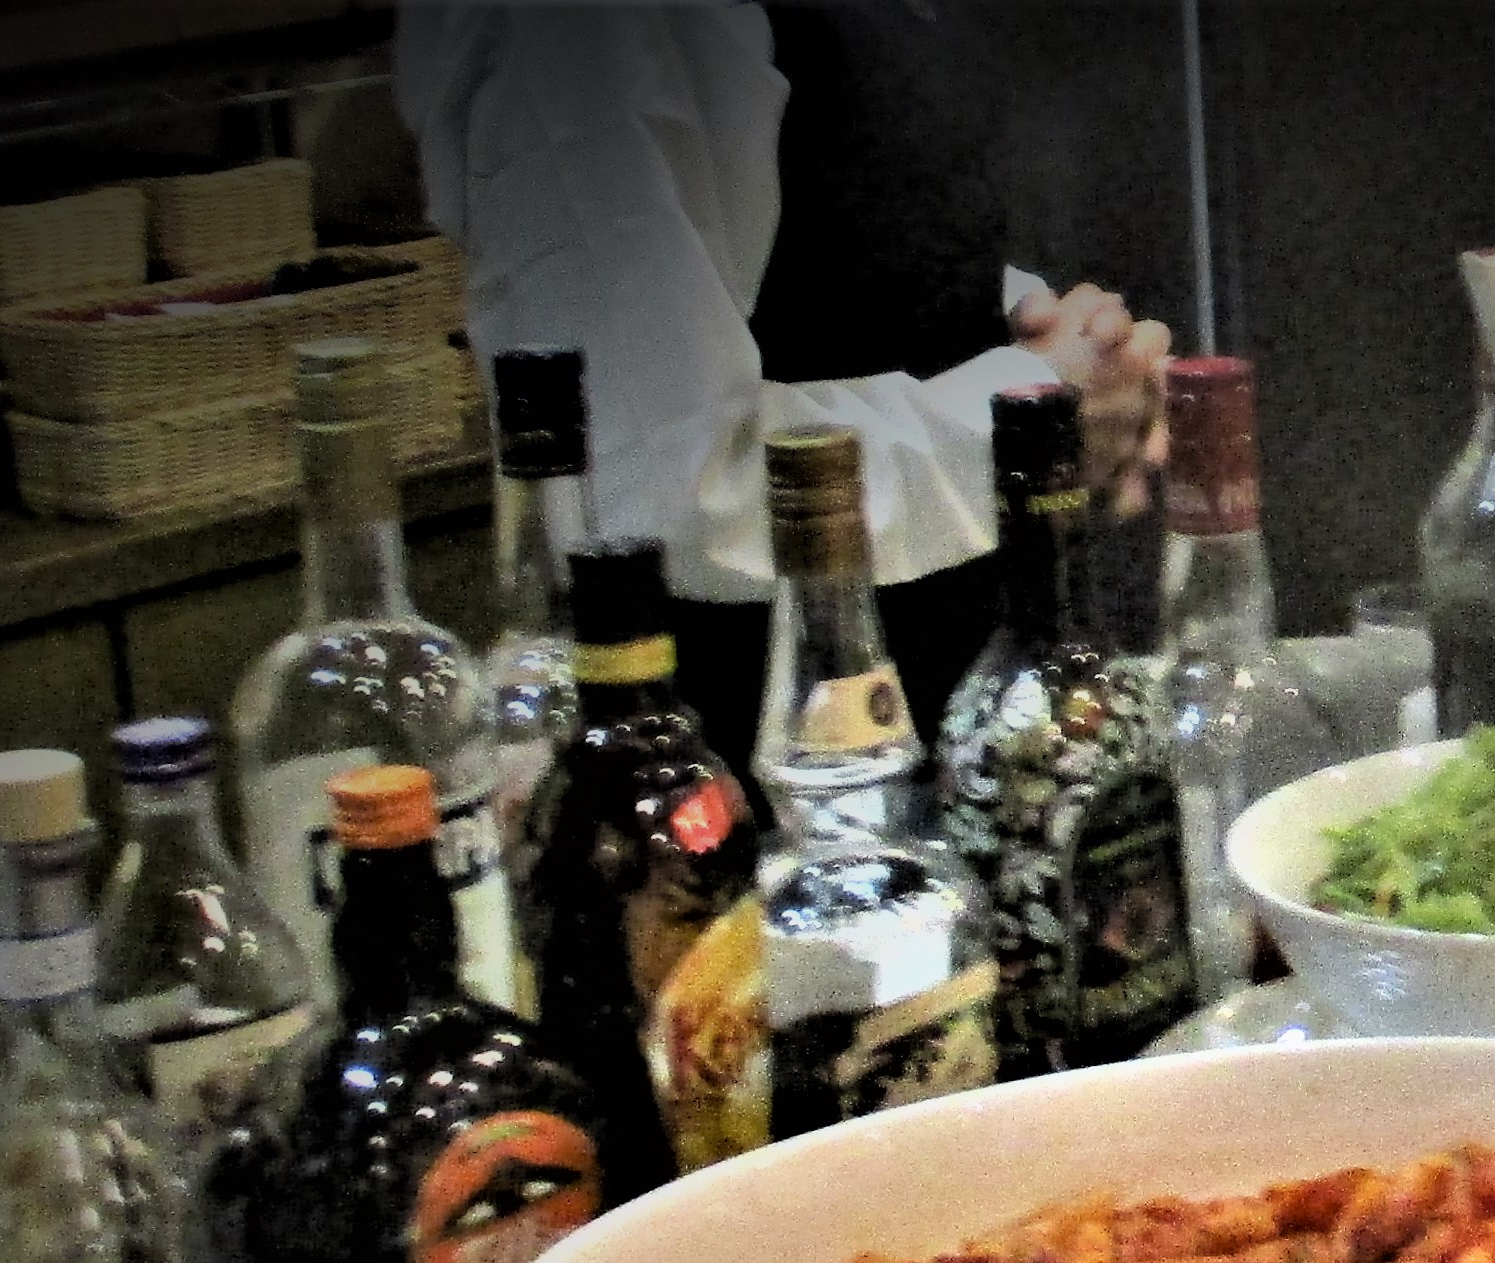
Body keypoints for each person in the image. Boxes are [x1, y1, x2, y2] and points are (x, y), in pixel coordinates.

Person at [393, 0, 1171, 728]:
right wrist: (1027, 419)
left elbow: (820, 245)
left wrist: (1057, 340)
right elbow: (666, 495)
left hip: (967, 688)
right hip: (759, 745)